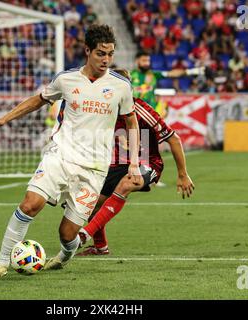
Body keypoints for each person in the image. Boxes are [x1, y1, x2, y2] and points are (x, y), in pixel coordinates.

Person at [0, 24, 142, 278]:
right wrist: (4, 118)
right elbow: (39, 99)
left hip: (95, 167)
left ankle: (65, 255)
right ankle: (1, 263)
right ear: (87, 51)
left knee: (67, 233)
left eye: (110, 54)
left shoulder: (120, 86)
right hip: (61, 154)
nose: (106, 59)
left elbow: (132, 122)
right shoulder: (66, 79)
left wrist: (133, 163)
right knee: (31, 204)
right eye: (101, 53)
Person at [77, 68, 195, 255]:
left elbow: (173, 139)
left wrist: (183, 174)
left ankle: (83, 235)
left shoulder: (141, 110)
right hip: (118, 164)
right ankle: (100, 247)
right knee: (92, 201)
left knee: (128, 182)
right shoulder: (103, 111)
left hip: (149, 162)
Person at [131, 51, 204, 118]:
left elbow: (171, 73)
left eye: (148, 61)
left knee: (146, 132)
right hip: (135, 113)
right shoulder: (129, 76)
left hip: (149, 114)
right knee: (134, 132)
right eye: (144, 60)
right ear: (137, 61)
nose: (147, 63)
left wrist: (191, 71)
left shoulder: (154, 74)